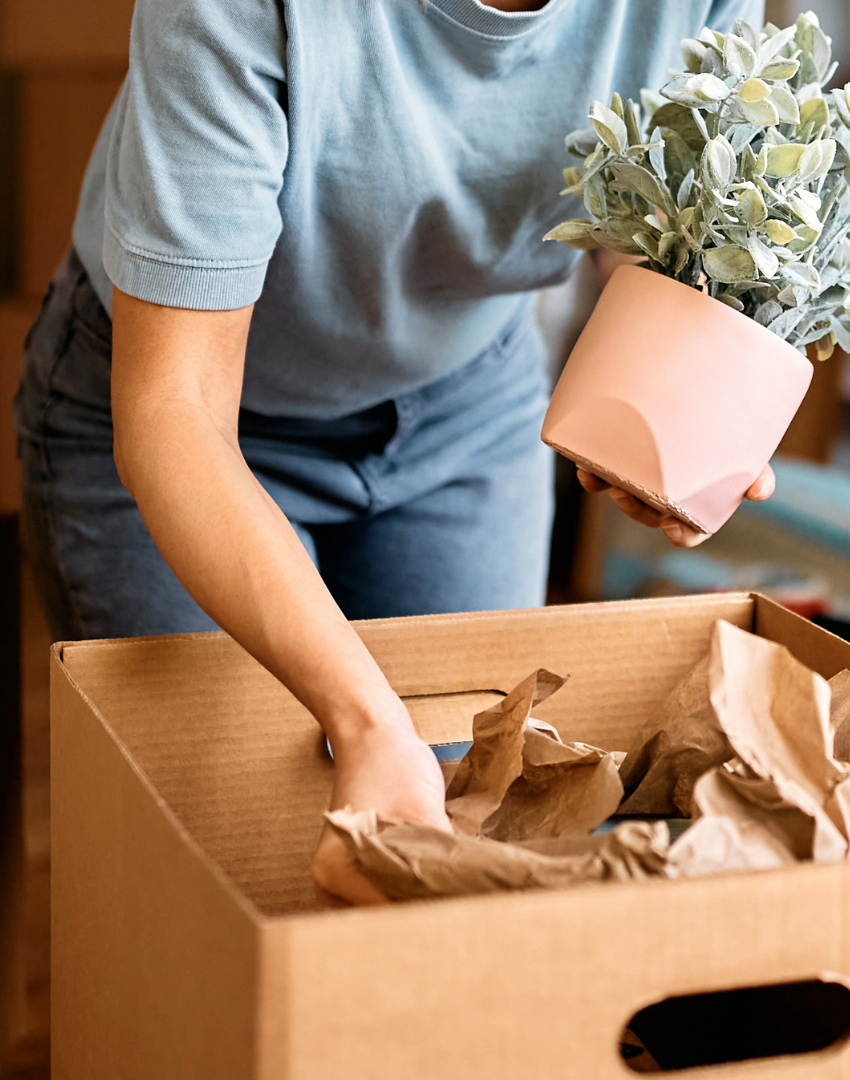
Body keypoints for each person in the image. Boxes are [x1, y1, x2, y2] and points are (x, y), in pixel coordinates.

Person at [15, 0, 774, 904]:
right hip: (181, 410)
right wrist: (371, 725)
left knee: (446, 836)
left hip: (463, 401)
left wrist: (673, 402)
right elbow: (175, 412)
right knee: (226, 869)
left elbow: (641, 221)